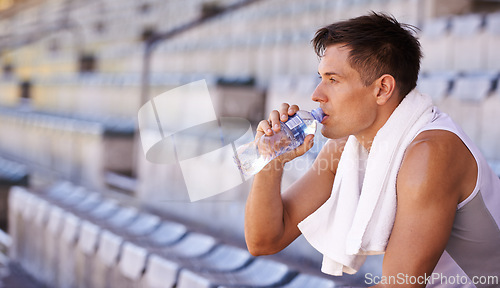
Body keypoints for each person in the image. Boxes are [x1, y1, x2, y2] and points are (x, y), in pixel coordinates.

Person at [244, 12, 500, 288]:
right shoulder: (346, 147)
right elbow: (264, 241)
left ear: (382, 89)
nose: (316, 95)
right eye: (320, 78)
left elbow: (400, 285)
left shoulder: (429, 153)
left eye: (333, 80)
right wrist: (271, 160)